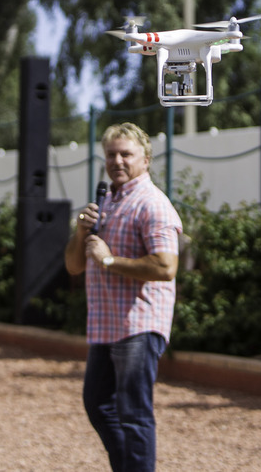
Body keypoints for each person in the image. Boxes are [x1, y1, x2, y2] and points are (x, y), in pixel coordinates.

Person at [66, 122, 182, 472]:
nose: (117, 161)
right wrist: (81, 232)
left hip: (139, 324)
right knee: (98, 403)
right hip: (106, 323)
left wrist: (109, 260)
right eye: (111, 154)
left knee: (133, 413)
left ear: (145, 159)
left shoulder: (152, 204)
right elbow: (74, 266)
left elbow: (165, 266)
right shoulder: (108, 203)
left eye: (126, 154)